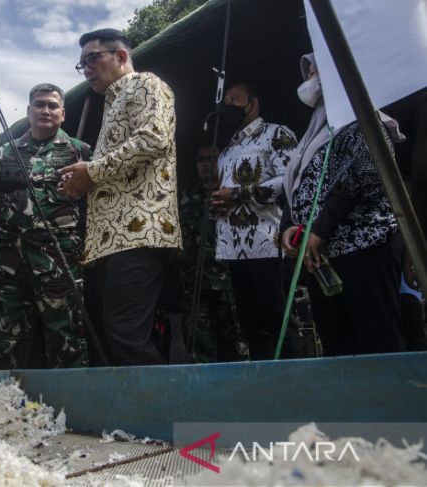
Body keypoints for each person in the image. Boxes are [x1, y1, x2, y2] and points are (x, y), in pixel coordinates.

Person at [60, 29, 181, 366]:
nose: (86, 68)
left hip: (138, 233)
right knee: (102, 335)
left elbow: (154, 139)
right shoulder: (111, 105)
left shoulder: (146, 84)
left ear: (121, 56)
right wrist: (82, 183)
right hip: (107, 243)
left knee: (125, 333)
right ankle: (122, 416)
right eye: (81, 63)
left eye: (92, 59)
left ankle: (163, 412)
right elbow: (115, 173)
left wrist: (92, 171)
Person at [281, 53, 406, 356]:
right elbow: (297, 182)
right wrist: (288, 228)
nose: (309, 70)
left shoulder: (360, 111)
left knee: (377, 342)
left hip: (364, 249)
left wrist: (320, 230)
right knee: (339, 347)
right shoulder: (316, 124)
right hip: (322, 258)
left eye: (316, 63)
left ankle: (389, 403)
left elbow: (365, 170)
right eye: (308, 66)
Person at [0, 83, 91, 369]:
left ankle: (72, 408)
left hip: (61, 262)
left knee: (66, 340)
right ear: (29, 111)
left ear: (63, 114)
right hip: (10, 263)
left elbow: (93, 207)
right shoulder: (5, 153)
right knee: (5, 340)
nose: (45, 110)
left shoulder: (80, 153)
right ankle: (5, 410)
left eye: (52, 106)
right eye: (39, 105)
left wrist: (90, 248)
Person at [210, 81, 301, 360]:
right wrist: (219, 205)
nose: (229, 106)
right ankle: (265, 388)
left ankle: (297, 384)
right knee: (250, 327)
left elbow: (290, 180)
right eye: (226, 101)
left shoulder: (276, 134)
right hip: (233, 250)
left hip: (268, 243)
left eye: (236, 99)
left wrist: (237, 194)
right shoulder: (225, 149)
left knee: (278, 321)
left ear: (253, 104)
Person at [179, 145, 247, 363]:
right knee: (199, 352)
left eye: (212, 158)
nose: (206, 164)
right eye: (201, 160)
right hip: (195, 287)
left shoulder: (234, 194)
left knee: (237, 348)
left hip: (230, 285)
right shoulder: (187, 197)